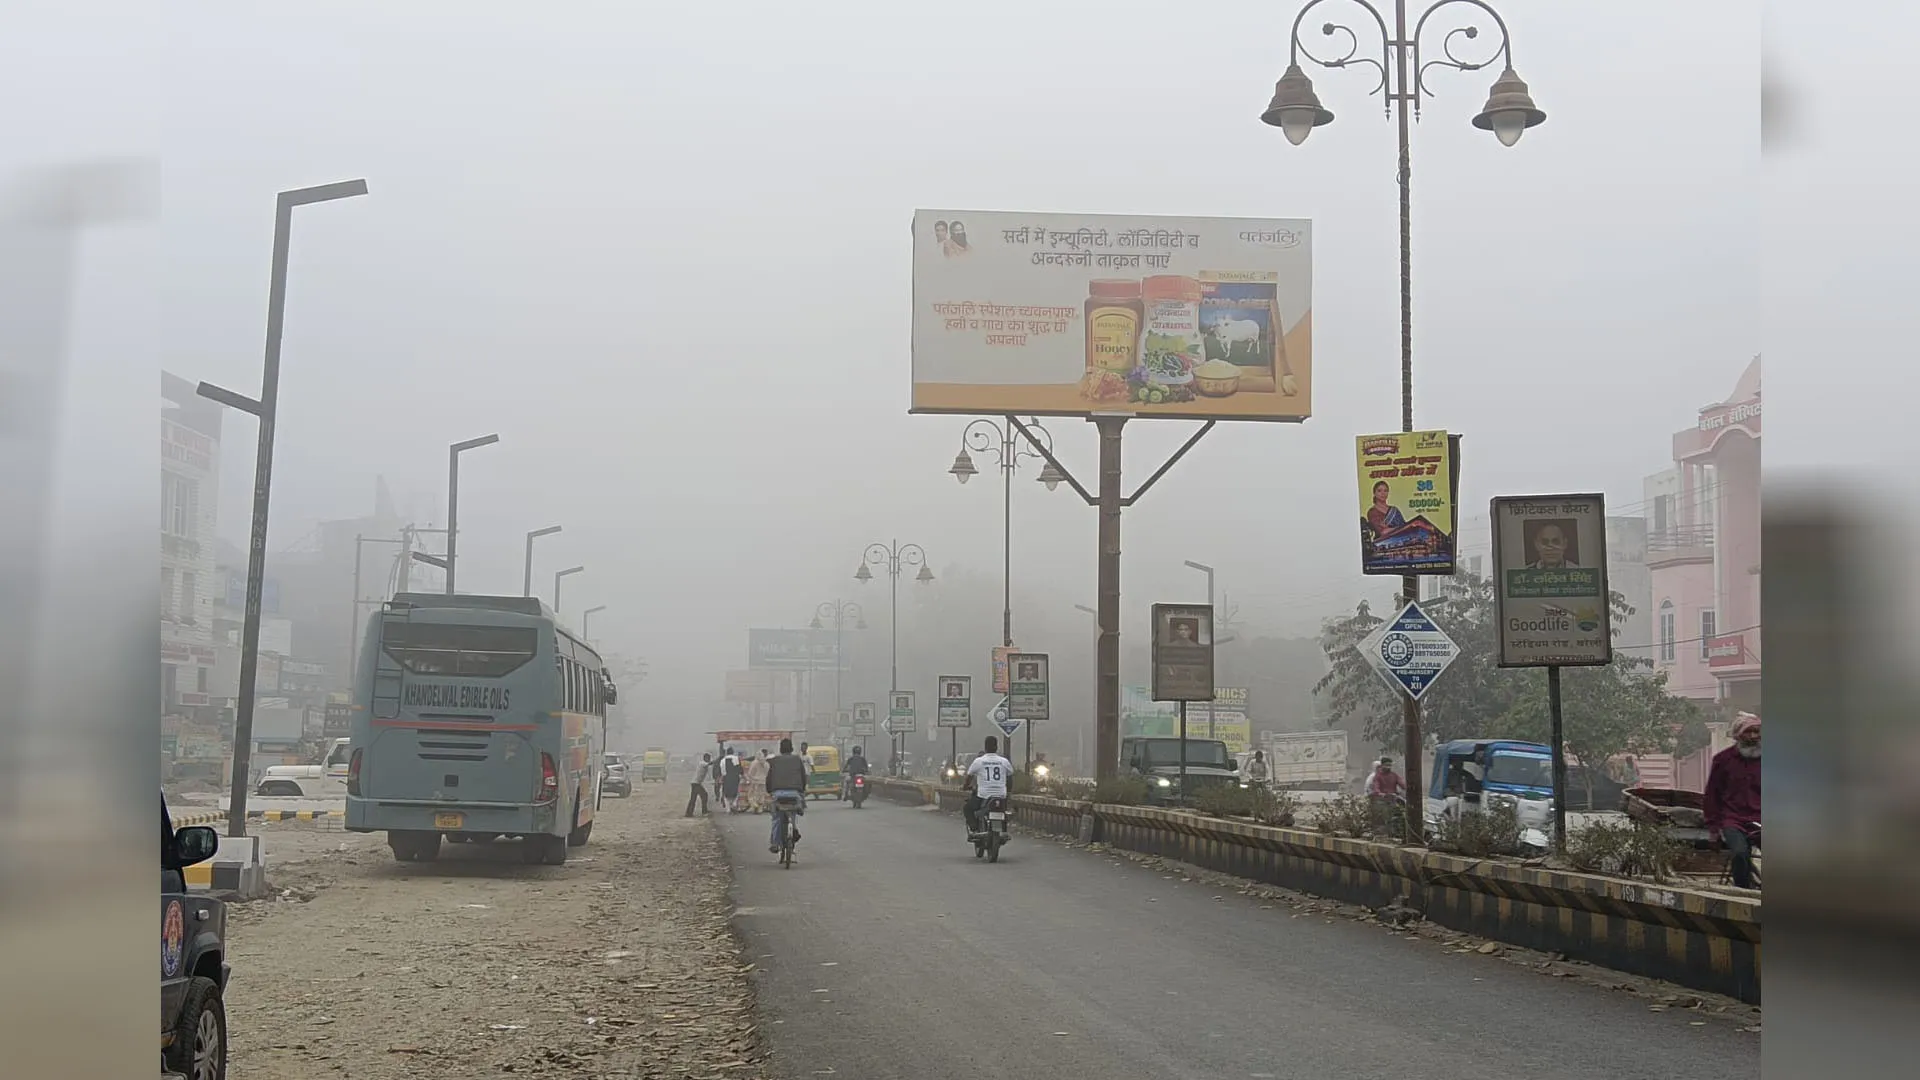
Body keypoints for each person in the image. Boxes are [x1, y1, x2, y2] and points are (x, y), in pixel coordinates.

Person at [1704, 713, 1762, 888]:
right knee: (1739, 853)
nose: (1753, 737)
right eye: (1748, 732)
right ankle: (1742, 893)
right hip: (1733, 819)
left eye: (1756, 732)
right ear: (1738, 735)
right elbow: (1712, 795)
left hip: (1761, 817)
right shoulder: (1723, 760)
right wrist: (1713, 829)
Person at [765, 737, 809, 855]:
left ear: (780, 749)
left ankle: (775, 843)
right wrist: (802, 790)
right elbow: (803, 777)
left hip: (778, 793)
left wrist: (769, 791)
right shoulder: (797, 759)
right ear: (792, 749)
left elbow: (769, 779)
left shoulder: (775, 761)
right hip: (795, 793)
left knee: (776, 818)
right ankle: (793, 829)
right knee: (793, 813)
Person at [962, 735, 1013, 835]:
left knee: (967, 808)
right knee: (1005, 810)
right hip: (1001, 795)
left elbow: (969, 777)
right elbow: (1010, 778)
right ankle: (1003, 826)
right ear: (996, 747)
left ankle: (974, 828)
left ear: (985, 748)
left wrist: (965, 786)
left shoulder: (979, 761)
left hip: (983, 796)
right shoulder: (1004, 761)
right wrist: (1008, 792)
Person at [685, 752, 712, 817]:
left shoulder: (704, 764)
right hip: (696, 783)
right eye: (708, 758)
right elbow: (709, 764)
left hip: (696, 783)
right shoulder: (702, 763)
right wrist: (718, 760)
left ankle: (689, 813)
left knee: (694, 798)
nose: (709, 759)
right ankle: (704, 811)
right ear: (705, 758)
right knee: (703, 795)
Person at [721, 747, 743, 812]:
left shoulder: (723, 760)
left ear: (726, 752)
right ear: (733, 752)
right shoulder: (736, 758)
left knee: (726, 793)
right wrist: (741, 774)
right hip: (735, 778)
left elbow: (722, 771)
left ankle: (728, 808)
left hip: (726, 778)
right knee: (736, 791)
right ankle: (734, 803)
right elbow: (739, 768)